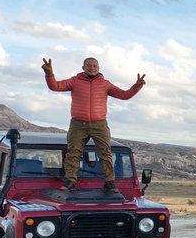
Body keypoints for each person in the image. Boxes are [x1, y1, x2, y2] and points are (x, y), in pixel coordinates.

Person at [41, 57, 146, 193]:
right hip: (78, 123)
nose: (92, 68)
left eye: (95, 66)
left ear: (99, 68)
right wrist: (49, 74)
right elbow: (55, 86)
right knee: (73, 153)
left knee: (105, 153)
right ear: (83, 67)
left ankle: (109, 182)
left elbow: (124, 95)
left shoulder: (105, 84)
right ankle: (70, 181)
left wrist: (137, 86)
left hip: (99, 124)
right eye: (89, 65)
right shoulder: (75, 81)